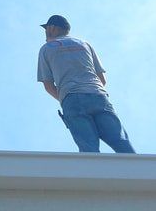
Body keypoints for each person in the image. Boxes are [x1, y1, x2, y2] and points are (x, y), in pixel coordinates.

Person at [37, 14, 136, 153]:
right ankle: (137, 171)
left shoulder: (46, 49)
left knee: (88, 148)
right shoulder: (84, 44)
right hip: (98, 95)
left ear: (52, 28)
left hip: (71, 98)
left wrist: (65, 99)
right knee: (120, 141)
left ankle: (95, 173)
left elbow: (48, 85)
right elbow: (102, 79)